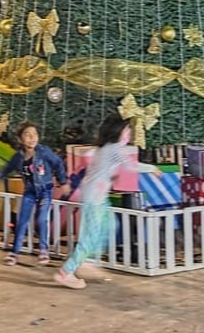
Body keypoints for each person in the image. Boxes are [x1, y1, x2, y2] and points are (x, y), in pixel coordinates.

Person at [53, 115, 161, 289]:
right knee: (90, 236)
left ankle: (87, 261)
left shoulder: (106, 148)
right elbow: (131, 166)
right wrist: (152, 168)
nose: (129, 133)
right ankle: (66, 271)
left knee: (110, 225)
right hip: (94, 198)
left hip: (98, 196)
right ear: (117, 131)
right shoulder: (113, 149)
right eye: (127, 129)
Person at [0, 122, 69, 265]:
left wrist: (63, 182)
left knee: (42, 219)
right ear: (20, 139)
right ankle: (14, 253)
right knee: (22, 221)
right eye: (27, 134)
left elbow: (58, 163)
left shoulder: (44, 152)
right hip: (30, 192)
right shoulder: (18, 156)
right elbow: (8, 168)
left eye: (35, 134)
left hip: (45, 191)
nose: (32, 137)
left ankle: (44, 251)